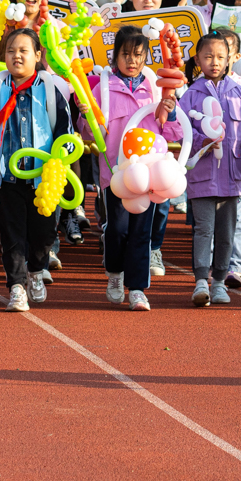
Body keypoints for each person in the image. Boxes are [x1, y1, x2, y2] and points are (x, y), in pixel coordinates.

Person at [0, 27, 74, 310]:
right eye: (11, 51)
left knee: (44, 235)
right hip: (7, 179)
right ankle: (16, 286)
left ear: (38, 55)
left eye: (24, 51)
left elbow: (67, 135)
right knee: (11, 234)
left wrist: (59, 161)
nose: (17, 56)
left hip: (44, 180)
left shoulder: (52, 91)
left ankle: (37, 271)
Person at [87, 24, 180, 311]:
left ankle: (137, 288)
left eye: (139, 55)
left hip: (149, 173)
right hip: (115, 173)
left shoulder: (155, 86)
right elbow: (90, 134)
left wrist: (172, 110)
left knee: (142, 230)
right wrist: (86, 117)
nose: (132, 61)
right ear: (115, 55)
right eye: (126, 54)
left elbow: (173, 133)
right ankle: (115, 274)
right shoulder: (100, 86)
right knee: (117, 228)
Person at [180, 32, 241, 306]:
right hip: (201, 177)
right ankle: (200, 283)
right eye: (208, 57)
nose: (214, 63)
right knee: (203, 230)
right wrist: (200, 141)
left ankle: (219, 282)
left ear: (230, 59)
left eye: (220, 57)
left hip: (231, 178)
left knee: (226, 232)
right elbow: (180, 134)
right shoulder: (190, 95)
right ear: (198, 60)